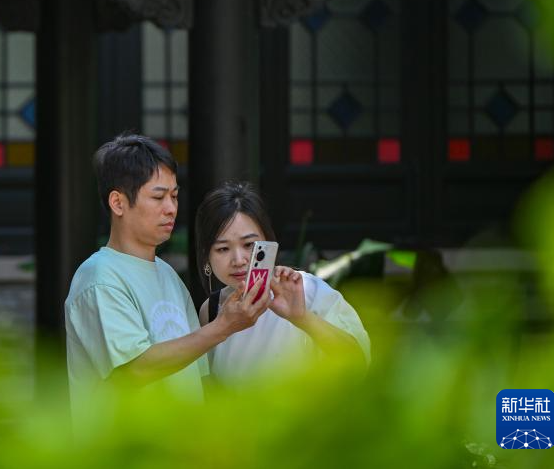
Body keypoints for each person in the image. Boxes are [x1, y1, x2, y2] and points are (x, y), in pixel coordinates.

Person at [65, 134, 269, 411]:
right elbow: (136, 369)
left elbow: (198, 376)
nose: (171, 208)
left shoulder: (168, 274)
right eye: (158, 197)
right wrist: (224, 326)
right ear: (118, 203)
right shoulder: (99, 278)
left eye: (174, 196)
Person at [195, 181, 371, 383]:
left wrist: (303, 318)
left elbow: (358, 363)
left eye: (249, 245)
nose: (239, 260)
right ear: (207, 256)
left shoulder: (308, 291)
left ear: (269, 242)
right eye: (223, 249)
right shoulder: (211, 309)